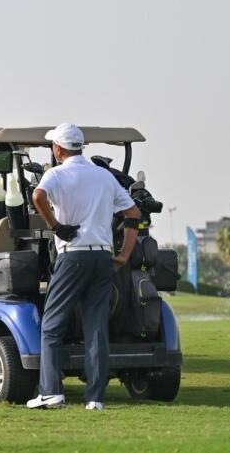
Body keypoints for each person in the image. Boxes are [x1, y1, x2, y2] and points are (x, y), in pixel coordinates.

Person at [26, 123, 140, 411]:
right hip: (103, 257)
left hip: (73, 256)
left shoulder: (55, 174)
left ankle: (52, 392)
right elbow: (133, 213)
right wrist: (124, 254)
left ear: (58, 148)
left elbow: (37, 197)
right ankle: (95, 399)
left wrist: (56, 226)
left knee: (52, 326)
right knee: (96, 328)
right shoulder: (103, 176)